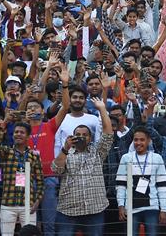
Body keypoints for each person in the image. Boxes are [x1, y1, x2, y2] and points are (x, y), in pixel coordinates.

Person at [52, 97, 114, 235]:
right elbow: (56, 169)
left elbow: (108, 133)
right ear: (72, 137)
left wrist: (102, 109)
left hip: (94, 209)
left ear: (90, 138)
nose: (81, 137)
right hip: (68, 209)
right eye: (78, 134)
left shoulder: (98, 151)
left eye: (85, 135)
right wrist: (65, 148)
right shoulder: (66, 152)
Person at [0, 120, 45, 235]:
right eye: (16, 132)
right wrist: (5, 123)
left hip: (28, 204)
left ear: (27, 136)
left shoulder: (34, 156)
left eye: (22, 132)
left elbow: (40, 181)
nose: (18, 134)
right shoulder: (7, 152)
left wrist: (37, 201)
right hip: (8, 203)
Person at [116, 126, 166, 236]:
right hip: (130, 208)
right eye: (136, 140)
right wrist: (121, 205)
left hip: (152, 208)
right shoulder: (126, 158)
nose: (138, 143)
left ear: (148, 141)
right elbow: (121, 184)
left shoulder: (156, 158)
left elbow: (162, 186)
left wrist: (163, 209)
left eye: (142, 140)